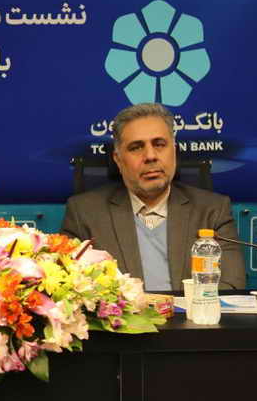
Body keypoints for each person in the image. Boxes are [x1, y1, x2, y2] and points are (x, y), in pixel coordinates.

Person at [61, 102, 245, 290]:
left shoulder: (212, 211)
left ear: (174, 151)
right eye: (136, 147)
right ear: (118, 159)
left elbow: (231, 286)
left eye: (159, 144)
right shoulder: (84, 214)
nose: (150, 156)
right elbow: (70, 289)